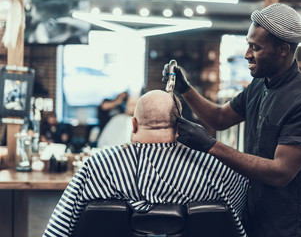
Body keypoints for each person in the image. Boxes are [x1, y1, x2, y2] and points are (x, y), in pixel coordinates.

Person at [162, 3, 301, 237]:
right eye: (248, 45)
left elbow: (280, 173)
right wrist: (185, 88)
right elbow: (219, 118)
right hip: (252, 213)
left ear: (283, 49)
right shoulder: (260, 84)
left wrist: (210, 145)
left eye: (255, 47)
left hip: (287, 225)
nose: (246, 54)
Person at [43, 90, 249, 237]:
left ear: (133, 124)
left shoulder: (97, 166)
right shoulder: (218, 168)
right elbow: (242, 225)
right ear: (181, 125)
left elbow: (58, 230)